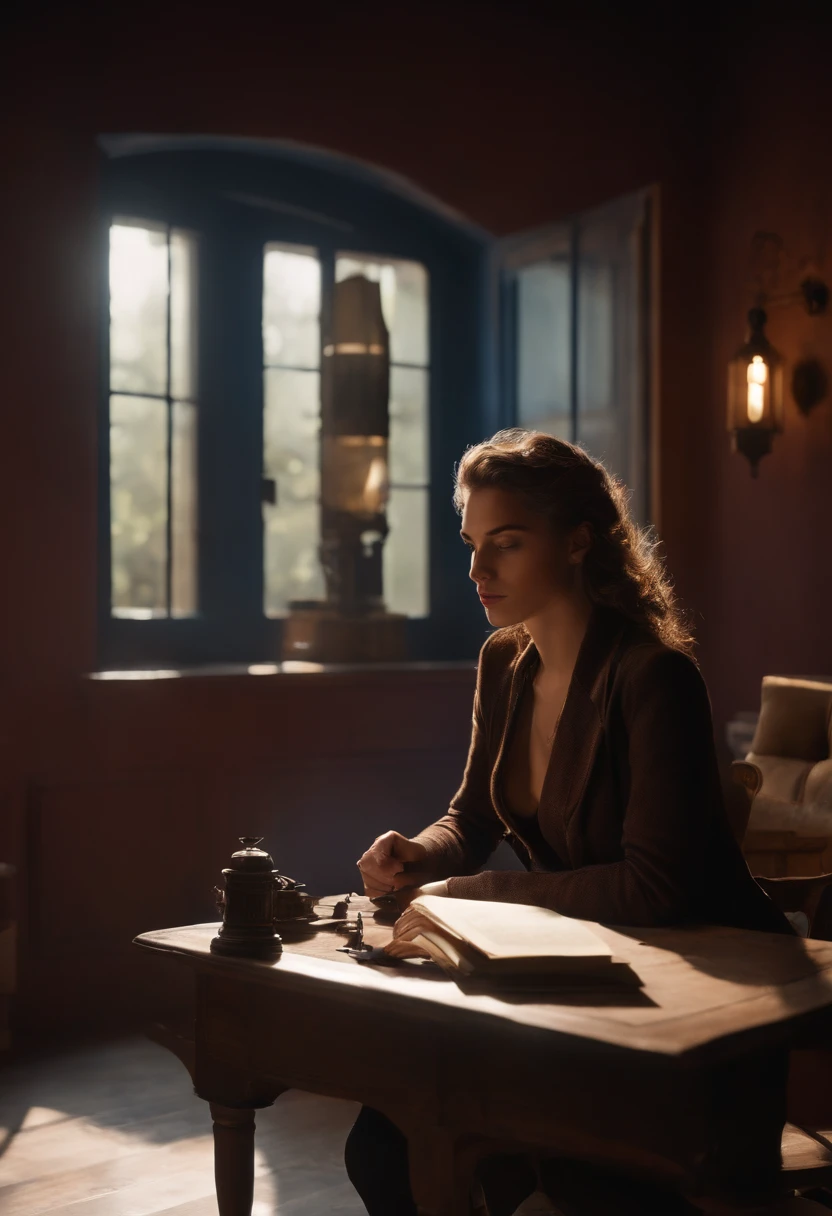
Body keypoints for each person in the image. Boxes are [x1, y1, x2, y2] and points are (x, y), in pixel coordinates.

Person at [345, 429, 790, 1216]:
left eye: (507, 545)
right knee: (384, 1142)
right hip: (578, 980)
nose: (479, 570)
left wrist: (473, 891)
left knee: (581, 1181)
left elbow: (653, 889)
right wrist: (419, 854)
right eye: (473, 545)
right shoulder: (502, 663)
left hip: (699, 1008)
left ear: (579, 540)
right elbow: (473, 815)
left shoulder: (655, 677)